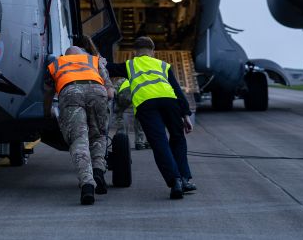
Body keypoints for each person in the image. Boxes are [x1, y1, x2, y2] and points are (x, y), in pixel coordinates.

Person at [105, 36, 195, 200]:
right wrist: (186, 115)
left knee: (159, 143)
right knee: (177, 138)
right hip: (170, 102)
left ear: (134, 52)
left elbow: (107, 68)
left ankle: (174, 181)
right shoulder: (163, 65)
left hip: (147, 105)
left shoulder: (130, 64)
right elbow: (177, 90)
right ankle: (185, 179)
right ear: (153, 51)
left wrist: (94, 60)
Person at [44, 45, 111, 205]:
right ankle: (98, 171)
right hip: (97, 91)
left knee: (79, 139)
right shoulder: (94, 61)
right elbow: (109, 92)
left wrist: (47, 112)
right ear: (82, 54)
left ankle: (87, 184)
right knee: (99, 135)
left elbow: (48, 92)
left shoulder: (56, 64)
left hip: (70, 93)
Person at [111, 77, 149, 150]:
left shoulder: (123, 80)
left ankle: (122, 140)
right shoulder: (138, 78)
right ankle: (139, 142)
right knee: (139, 119)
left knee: (119, 117)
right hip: (136, 97)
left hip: (123, 97)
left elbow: (114, 90)